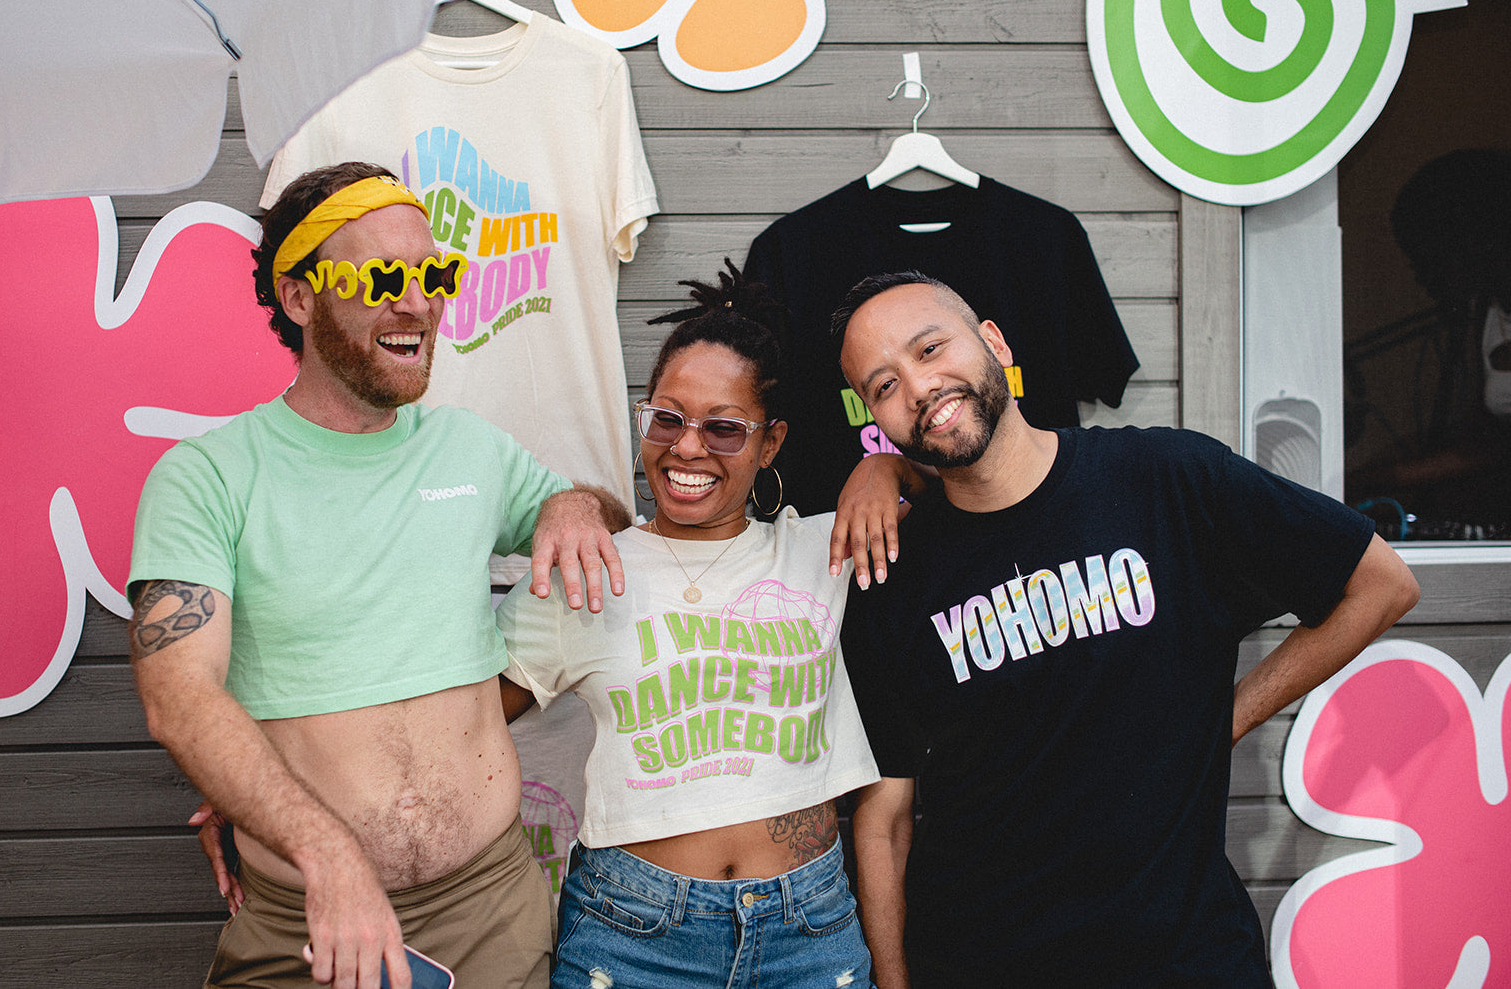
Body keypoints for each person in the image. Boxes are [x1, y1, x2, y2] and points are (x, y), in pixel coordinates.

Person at [830, 271, 1421, 987]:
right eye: (885, 384)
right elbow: (885, 812)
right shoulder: (892, 572)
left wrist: (1223, 719)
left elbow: (1381, 585)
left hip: (1184, 956)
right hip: (975, 959)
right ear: (873, 417)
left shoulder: (1166, 480)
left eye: (930, 348)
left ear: (993, 341)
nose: (919, 388)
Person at [126, 162, 631, 989]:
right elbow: (178, 696)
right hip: (312, 927)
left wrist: (574, 506)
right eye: (384, 277)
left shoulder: (471, 450)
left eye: (433, 274)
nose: (418, 302)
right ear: (298, 298)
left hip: (495, 914)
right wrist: (326, 852)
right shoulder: (206, 477)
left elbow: (600, 528)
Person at [491, 266, 889, 987]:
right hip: (635, 934)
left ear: (771, 444)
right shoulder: (590, 567)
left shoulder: (820, 549)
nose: (686, 448)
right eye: (667, 418)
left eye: (724, 428)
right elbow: (463, 725)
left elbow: (960, 483)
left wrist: (884, 472)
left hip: (810, 930)